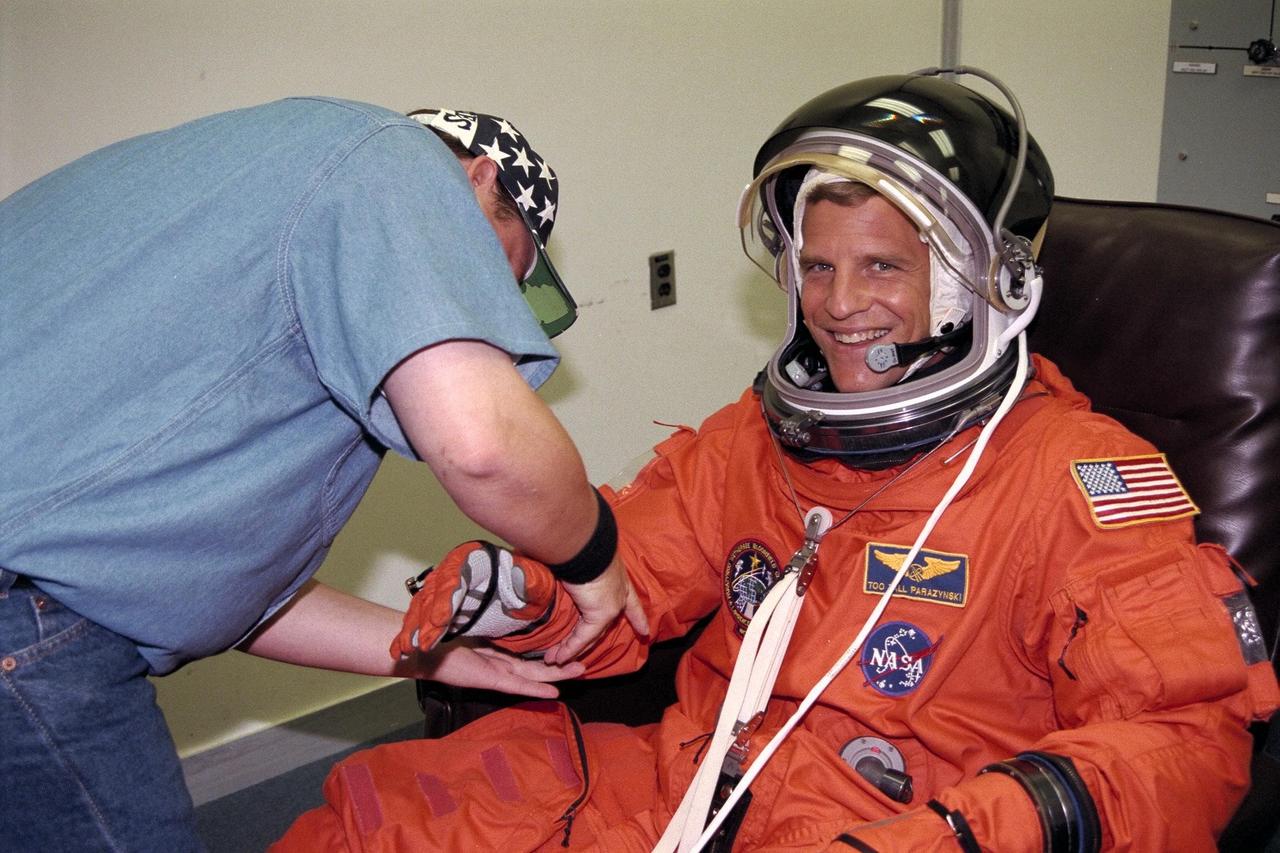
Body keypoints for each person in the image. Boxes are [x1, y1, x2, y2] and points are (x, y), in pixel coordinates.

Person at [275, 72, 1279, 852]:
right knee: (386, 813)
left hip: (907, 823)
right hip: (691, 782)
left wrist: (971, 830)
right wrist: (528, 599)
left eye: (882, 266)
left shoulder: (1078, 479)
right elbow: (631, 580)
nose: (839, 304)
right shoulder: (754, 440)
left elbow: (1185, 741)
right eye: (817, 265)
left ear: (983, 280)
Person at [0, 97, 647, 852]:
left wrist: (434, 654)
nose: (497, 304)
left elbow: (222, 592)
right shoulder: (393, 161)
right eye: (511, 269)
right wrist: (597, 560)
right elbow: (485, 447)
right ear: (476, 181)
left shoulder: (247, 191)